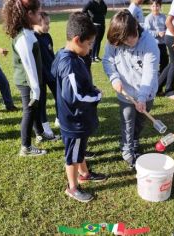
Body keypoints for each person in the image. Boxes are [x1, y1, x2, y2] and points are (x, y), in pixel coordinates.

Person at [51, 12, 106, 203]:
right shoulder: (70, 64)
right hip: (74, 121)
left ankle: (84, 173)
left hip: (77, 119)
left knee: (79, 149)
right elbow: (75, 96)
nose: (91, 48)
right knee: (72, 155)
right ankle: (72, 187)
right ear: (77, 39)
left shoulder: (63, 54)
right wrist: (97, 95)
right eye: (89, 43)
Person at [103, 10, 160, 169]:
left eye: (129, 40)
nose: (127, 44)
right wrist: (114, 78)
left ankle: (134, 141)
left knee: (140, 120)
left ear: (135, 28)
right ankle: (127, 151)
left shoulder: (150, 44)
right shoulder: (116, 39)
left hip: (147, 92)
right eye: (124, 42)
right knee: (128, 120)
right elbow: (108, 60)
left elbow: (149, 73)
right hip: (125, 93)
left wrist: (142, 97)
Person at [2, 0, 47, 156]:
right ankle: (25, 147)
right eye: (38, 12)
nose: (40, 15)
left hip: (32, 82)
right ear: (29, 14)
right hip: (27, 82)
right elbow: (28, 66)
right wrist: (35, 90)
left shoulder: (28, 33)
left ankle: (39, 134)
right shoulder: (23, 37)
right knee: (29, 112)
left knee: (33, 110)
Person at [33, 11, 60, 140]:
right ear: (37, 22)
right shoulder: (32, 39)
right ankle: (46, 128)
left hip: (52, 74)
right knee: (42, 103)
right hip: (40, 78)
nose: (49, 26)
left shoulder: (47, 36)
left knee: (60, 97)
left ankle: (59, 118)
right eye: (46, 23)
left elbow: (51, 55)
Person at [144, 0, 168, 74]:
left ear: (160, 6)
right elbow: (147, 31)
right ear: (150, 7)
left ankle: (162, 76)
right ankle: (154, 75)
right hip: (154, 44)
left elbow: (167, 27)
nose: (155, 8)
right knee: (155, 61)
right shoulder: (148, 18)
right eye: (153, 6)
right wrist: (157, 33)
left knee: (165, 61)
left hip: (163, 43)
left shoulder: (163, 17)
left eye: (157, 6)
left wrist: (165, 31)